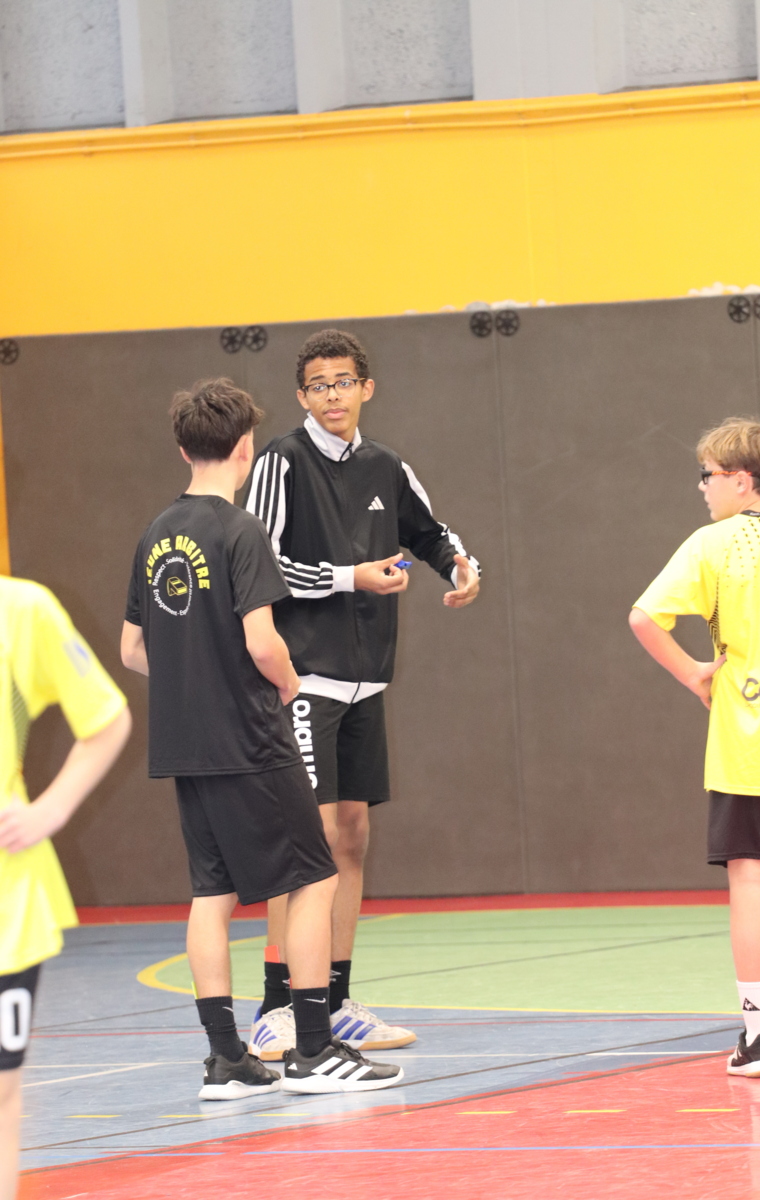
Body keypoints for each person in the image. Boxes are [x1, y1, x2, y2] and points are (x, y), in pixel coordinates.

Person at [121, 377, 403, 1098]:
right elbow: (263, 642)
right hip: (249, 737)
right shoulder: (240, 530)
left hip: (184, 744)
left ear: (183, 448)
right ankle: (312, 1050)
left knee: (211, 894)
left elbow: (132, 649)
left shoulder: (156, 533)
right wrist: (286, 684)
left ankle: (227, 1061)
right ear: (245, 447)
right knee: (313, 878)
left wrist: (193, 678)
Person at [244, 329, 481, 1060]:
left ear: (366, 388)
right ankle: (279, 1006)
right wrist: (351, 577)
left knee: (351, 836)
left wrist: (460, 565)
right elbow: (260, 562)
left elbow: (430, 531)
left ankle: (336, 1000)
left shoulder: (386, 464)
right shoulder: (282, 461)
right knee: (307, 843)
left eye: (344, 382)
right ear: (302, 395)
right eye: (319, 385)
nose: (333, 395)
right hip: (305, 678)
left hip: (366, 678)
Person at [630, 416, 760, 1078]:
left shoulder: (715, 543)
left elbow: (645, 617)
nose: (702, 488)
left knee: (753, 883)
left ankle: (759, 1039)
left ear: (741, 479)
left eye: (708, 475)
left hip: (749, 742)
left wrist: (694, 673)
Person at [0, 576, 131, 1200]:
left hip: (8, 906)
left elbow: (106, 719)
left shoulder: (22, 610)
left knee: (2, 1087)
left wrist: (50, 810)